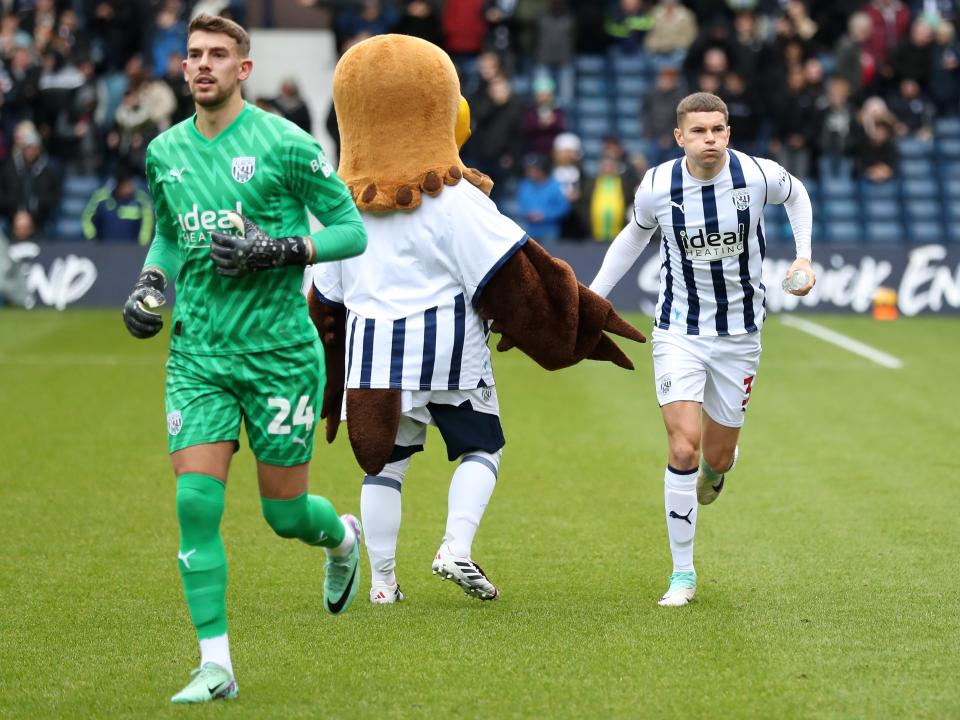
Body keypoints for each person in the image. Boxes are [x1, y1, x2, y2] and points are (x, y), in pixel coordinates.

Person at [120, 14, 368, 703]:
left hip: (281, 355)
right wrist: (150, 286)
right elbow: (169, 236)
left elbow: (351, 232)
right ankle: (217, 665)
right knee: (195, 501)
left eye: (217, 55)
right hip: (198, 354)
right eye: (193, 54)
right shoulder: (164, 151)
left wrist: (279, 249)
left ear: (244, 69)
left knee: (284, 515)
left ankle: (341, 540)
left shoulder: (284, 143)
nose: (202, 64)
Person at [589, 92, 815, 607]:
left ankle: (717, 469)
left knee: (716, 458)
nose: (709, 139)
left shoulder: (757, 176)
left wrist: (803, 257)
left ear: (728, 132)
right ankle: (683, 574)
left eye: (717, 129)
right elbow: (632, 237)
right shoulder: (657, 185)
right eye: (698, 131)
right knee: (683, 446)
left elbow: (797, 193)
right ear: (679, 137)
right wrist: (593, 298)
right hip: (679, 331)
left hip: (739, 337)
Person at [81, 171, 154, 243]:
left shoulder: (141, 199)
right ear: (118, 185)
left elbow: (148, 221)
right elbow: (87, 218)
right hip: (104, 248)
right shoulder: (101, 197)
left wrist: (143, 243)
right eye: (126, 184)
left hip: (132, 249)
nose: (129, 187)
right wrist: (91, 237)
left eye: (130, 183)